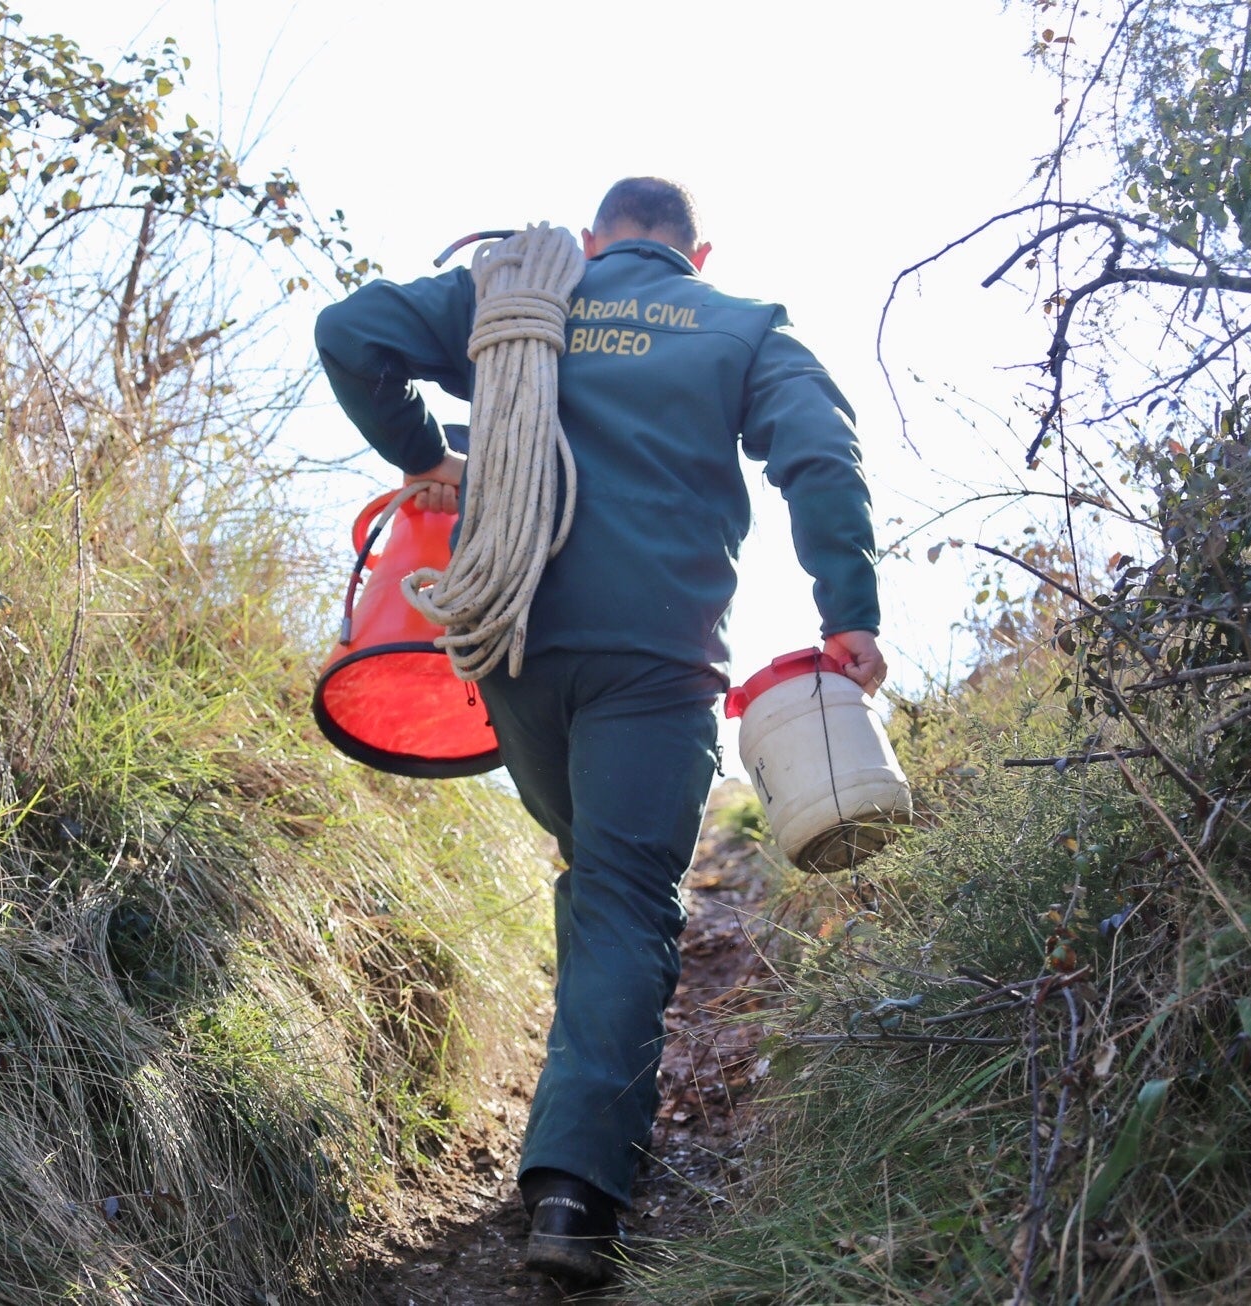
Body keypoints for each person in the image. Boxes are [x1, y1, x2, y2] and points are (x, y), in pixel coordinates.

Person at [315, 177, 885, 1290]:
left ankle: (577, 1118)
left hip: (516, 645)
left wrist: (421, 452)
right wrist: (849, 607)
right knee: (626, 897)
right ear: (698, 252)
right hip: (659, 662)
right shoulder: (741, 326)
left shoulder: (516, 291)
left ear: (591, 239)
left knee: (598, 877)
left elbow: (351, 333)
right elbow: (820, 453)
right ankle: (577, 1190)